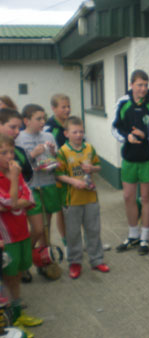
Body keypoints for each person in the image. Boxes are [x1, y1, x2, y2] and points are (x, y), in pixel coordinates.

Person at [55, 116, 109, 279]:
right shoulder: (63, 152)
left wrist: (92, 168)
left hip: (91, 198)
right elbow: (58, 174)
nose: (78, 135)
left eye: (81, 131)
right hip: (72, 200)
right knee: (73, 233)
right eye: (75, 132)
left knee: (93, 229)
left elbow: (98, 166)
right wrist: (73, 181)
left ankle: (96, 259)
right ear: (66, 133)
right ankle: (75, 262)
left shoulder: (89, 148)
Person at [0, 134, 43, 336]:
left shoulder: (14, 173)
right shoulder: (7, 175)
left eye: (11, 151)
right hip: (6, 238)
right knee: (8, 278)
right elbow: (8, 202)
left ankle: (17, 314)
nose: (10, 156)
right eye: (4, 153)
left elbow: (28, 197)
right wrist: (14, 185)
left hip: (22, 232)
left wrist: (16, 200)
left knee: (16, 275)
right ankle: (9, 321)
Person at [112, 70, 149, 255]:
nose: (143, 88)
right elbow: (115, 128)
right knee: (128, 197)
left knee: (146, 198)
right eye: (139, 85)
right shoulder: (123, 103)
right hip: (129, 159)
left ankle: (145, 238)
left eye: (146, 85)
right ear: (131, 85)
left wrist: (145, 135)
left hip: (147, 160)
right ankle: (133, 235)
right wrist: (127, 137)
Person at [15, 105, 60, 253]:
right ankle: (26, 256)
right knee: (38, 228)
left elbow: (55, 162)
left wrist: (53, 154)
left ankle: (44, 258)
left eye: (44, 118)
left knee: (46, 227)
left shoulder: (49, 136)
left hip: (48, 183)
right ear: (26, 121)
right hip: (31, 187)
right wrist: (32, 155)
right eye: (38, 119)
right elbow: (19, 164)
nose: (42, 122)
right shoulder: (18, 138)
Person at [44, 93, 71, 248]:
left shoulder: (72, 123)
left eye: (68, 106)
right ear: (54, 109)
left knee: (79, 206)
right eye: (63, 107)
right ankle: (66, 240)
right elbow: (46, 155)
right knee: (62, 209)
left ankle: (86, 239)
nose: (67, 110)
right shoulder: (49, 128)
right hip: (58, 175)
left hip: (75, 172)